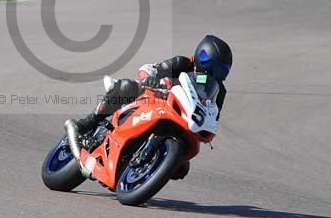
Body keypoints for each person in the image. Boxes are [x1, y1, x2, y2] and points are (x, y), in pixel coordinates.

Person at [64, 35, 233, 150]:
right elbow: (149, 69)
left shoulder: (220, 91)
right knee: (126, 87)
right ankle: (88, 123)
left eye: (220, 70)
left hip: (182, 120)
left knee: (182, 168)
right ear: (200, 55)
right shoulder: (182, 63)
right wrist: (148, 80)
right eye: (210, 64)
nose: (213, 72)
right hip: (153, 99)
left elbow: (214, 115)